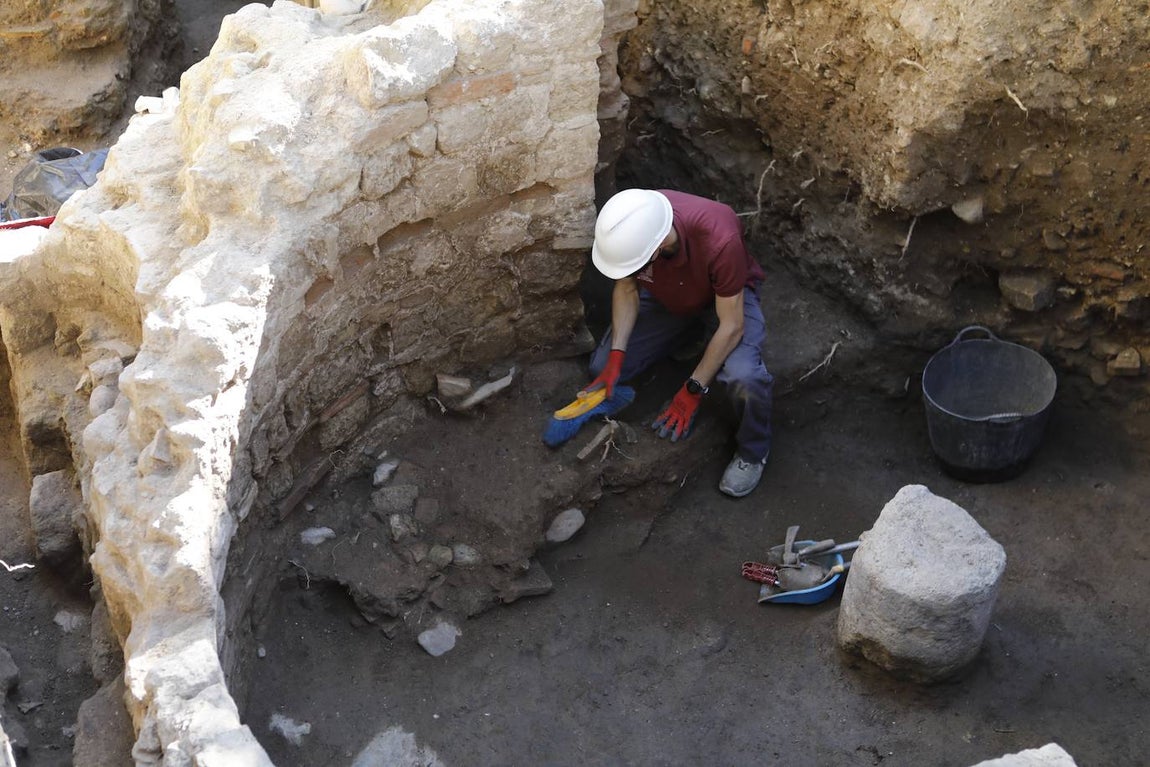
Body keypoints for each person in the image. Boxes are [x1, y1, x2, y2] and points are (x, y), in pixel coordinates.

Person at [583, 188, 774, 497]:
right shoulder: (635, 218)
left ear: (657, 246)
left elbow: (732, 325)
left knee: (744, 376)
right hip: (670, 296)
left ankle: (753, 452)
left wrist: (693, 389)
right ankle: (688, 331)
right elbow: (627, 289)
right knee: (600, 365)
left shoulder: (719, 237)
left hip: (727, 300)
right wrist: (616, 356)